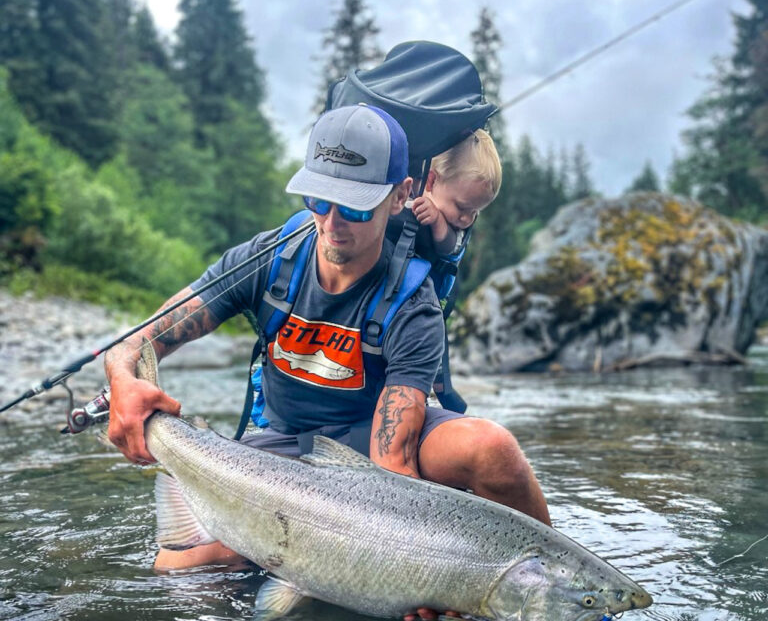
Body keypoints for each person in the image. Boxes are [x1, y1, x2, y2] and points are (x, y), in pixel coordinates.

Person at [106, 104, 550, 581]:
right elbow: (134, 345)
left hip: (370, 440)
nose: (332, 222)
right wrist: (122, 381)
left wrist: (418, 568)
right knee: (177, 571)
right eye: (318, 200)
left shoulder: (414, 304)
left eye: (356, 206)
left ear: (400, 197)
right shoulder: (268, 258)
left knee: (490, 449)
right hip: (283, 441)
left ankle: (556, 580)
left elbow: (391, 468)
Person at [411, 128, 500, 258]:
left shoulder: (454, 228)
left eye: (475, 212)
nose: (467, 219)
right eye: (461, 207)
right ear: (432, 181)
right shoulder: (409, 185)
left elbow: (449, 247)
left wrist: (437, 220)